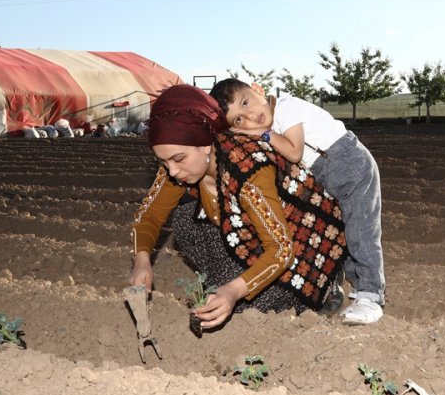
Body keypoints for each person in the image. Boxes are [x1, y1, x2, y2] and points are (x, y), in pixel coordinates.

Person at [129, 84, 347, 330]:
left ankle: (327, 283)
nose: (173, 171)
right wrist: (142, 260)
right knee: (185, 219)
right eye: (163, 162)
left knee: (244, 311)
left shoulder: (248, 169)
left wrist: (233, 291)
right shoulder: (178, 167)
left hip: (305, 244)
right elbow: (149, 215)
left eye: (178, 159)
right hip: (250, 235)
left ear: (204, 144)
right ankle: (225, 279)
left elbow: (281, 250)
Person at [210, 78, 385, 325]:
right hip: (327, 173)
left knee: (361, 230)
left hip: (350, 164)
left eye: (246, 102)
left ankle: (371, 296)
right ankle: (357, 284)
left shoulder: (285, 107)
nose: (250, 116)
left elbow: (294, 151)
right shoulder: (270, 122)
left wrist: (260, 133)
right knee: (342, 229)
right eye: (239, 120)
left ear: (258, 89)